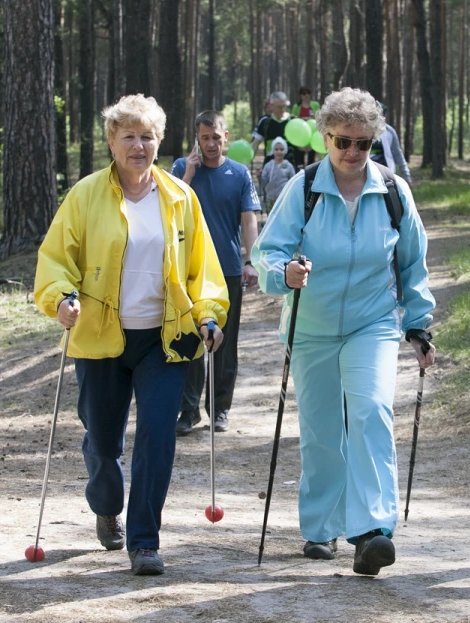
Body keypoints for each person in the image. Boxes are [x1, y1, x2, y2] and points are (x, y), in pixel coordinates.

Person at [34, 94, 228, 576]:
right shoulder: (84, 196)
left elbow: (202, 270)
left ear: (159, 142)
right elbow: (56, 258)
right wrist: (61, 297)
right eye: (129, 136)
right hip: (99, 336)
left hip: (164, 339)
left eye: (147, 136)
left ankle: (144, 540)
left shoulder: (181, 199)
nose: (138, 146)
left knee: (158, 437)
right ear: (111, 142)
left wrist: (208, 315)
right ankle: (106, 505)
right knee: (102, 441)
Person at [252, 87, 436, 576]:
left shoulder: (392, 191)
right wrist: (283, 273)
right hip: (310, 327)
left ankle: (373, 530)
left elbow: (412, 262)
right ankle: (320, 527)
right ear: (325, 138)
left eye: (364, 144)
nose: (353, 153)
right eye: (343, 142)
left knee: (373, 412)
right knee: (322, 430)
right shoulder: (305, 187)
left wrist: (418, 325)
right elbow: (267, 252)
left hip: (371, 323)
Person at [172, 110, 262, 435]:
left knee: (225, 343)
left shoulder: (239, 174)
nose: (211, 143)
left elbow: (249, 219)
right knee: (190, 341)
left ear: (226, 137)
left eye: (216, 137)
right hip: (189, 271)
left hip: (227, 270)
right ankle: (188, 409)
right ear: (197, 138)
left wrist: (251, 260)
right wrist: (189, 176)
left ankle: (220, 409)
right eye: (204, 137)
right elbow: (169, 210)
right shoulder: (182, 169)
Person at [369, 101, 412, 184]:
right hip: (367, 173)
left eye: (382, 114)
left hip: (387, 174)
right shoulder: (362, 131)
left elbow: (397, 153)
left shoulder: (389, 131)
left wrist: (406, 174)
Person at [251, 91, 295, 166]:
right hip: (270, 165)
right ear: (272, 106)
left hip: (290, 165)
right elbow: (255, 144)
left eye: (284, 106)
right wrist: (247, 160)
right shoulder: (265, 122)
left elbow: (303, 146)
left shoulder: (293, 121)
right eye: (279, 107)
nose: (282, 109)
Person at [260, 136, 296, 213]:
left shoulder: (288, 166)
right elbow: (264, 181)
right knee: (270, 218)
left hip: (284, 199)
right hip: (270, 198)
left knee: (283, 218)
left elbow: (293, 181)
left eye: (281, 149)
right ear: (273, 151)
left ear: (285, 151)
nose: (279, 152)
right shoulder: (268, 165)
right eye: (276, 149)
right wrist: (259, 176)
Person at [291, 86, 321, 169]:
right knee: (299, 158)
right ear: (301, 96)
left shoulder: (315, 105)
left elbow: (319, 118)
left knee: (311, 159)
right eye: (304, 93)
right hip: (301, 135)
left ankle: (310, 174)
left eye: (308, 93)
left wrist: (310, 119)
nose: (306, 95)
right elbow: (293, 120)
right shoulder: (296, 107)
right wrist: (303, 119)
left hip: (312, 134)